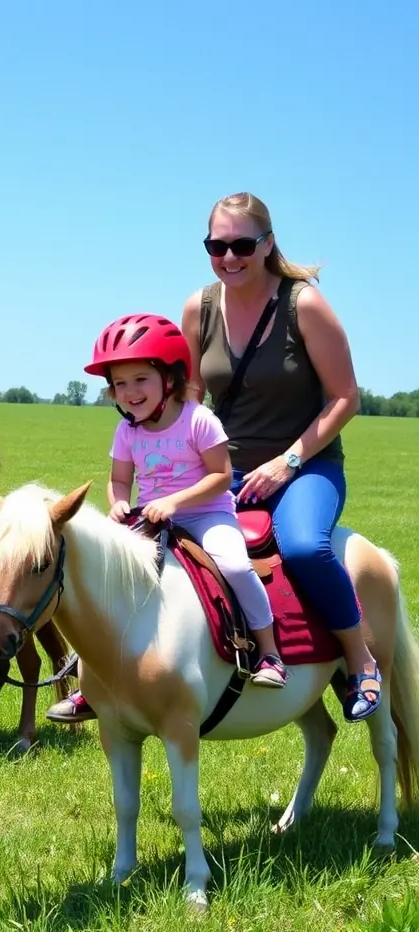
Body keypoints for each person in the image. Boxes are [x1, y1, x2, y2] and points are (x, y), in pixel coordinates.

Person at [178, 190, 379, 723]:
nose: (229, 257)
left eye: (242, 244)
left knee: (305, 547)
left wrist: (287, 462)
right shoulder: (198, 308)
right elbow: (191, 395)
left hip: (306, 466)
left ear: (267, 244)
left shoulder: (303, 303)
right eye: (216, 245)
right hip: (227, 468)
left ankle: (360, 662)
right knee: (144, 536)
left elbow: (346, 398)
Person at [46, 315, 287, 724]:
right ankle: (92, 684)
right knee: (106, 581)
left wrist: (175, 502)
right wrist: (119, 503)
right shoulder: (127, 431)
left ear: (170, 379)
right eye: (119, 384)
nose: (129, 392)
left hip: (207, 514)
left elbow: (220, 477)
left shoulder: (198, 420)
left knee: (234, 565)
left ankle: (269, 653)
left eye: (140, 379)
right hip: (151, 521)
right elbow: (120, 480)